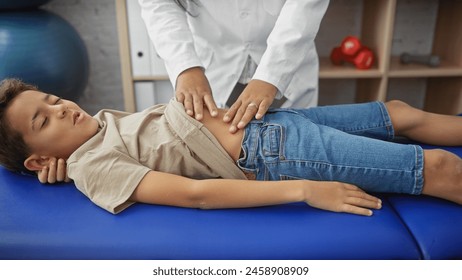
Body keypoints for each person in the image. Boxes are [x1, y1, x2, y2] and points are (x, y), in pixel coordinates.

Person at [1, 78, 462, 216]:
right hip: (273, 151)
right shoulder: (92, 165)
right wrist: (304, 189)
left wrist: (55, 162)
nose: (61, 109)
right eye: (44, 119)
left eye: (53, 99)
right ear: (38, 156)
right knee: (439, 168)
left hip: (270, 119)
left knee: (400, 111)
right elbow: (192, 194)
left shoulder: (95, 128)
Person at [139, 0, 329, 133]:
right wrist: (185, 66)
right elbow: (159, 5)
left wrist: (271, 76)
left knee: (298, 143)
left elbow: (302, 10)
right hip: (215, 61)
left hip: (288, 63)